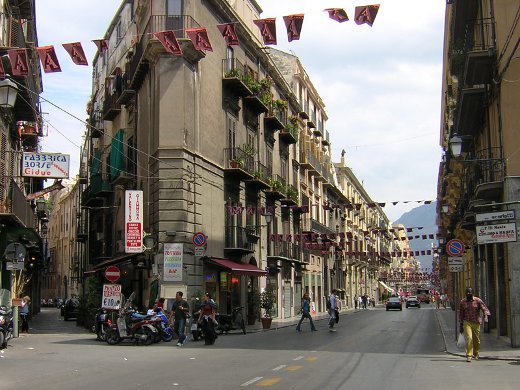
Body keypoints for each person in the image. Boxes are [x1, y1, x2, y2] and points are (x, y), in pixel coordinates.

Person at [459, 287, 490, 362]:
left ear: (472, 293)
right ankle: (469, 355)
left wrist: (485, 316)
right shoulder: (462, 302)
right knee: (469, 338)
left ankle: (476, 353)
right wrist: (461, 325)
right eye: (467, 292)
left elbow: (484, 309)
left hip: (476, 322)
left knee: (476, 339)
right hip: (467, 322)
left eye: (469, 292)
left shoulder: (477, 300)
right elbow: (461, 314)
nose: (468, 293)